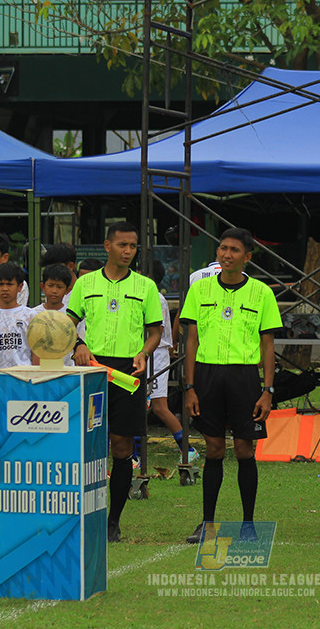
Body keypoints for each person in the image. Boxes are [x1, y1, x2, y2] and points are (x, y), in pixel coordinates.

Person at [179, 230, 279, 545]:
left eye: (235, 250)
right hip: (207, 378)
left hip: (244, 378)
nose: (227, 254)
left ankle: (248, 524)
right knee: (214, 448)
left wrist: (268, 390)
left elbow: (268, 345)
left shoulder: (262, 293)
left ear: (247, 257)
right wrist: (190, 386)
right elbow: (191, 341)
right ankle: (207, 523)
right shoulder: (200, 289)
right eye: (223, 248)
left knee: (244, 449)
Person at [68, 221, 162, 543]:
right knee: (86, 444)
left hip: (127, 373)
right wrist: (77, 345)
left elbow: (156, 332)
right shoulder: (85, 283)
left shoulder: (145, 287)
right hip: (92, 370)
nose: (128, 251)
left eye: (133, 246)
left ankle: (113, 521)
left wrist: (144, 353)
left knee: (122, 447)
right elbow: (67, 322)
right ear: (107, 246)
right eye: (122, 245)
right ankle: (80, 515)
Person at [138, 259, 198, 467]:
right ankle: (136, 454)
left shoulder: (153, 296)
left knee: (159, 406)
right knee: (143, 404)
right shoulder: (149, 294)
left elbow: (157, 330)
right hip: (147, 352)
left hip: (156, 353)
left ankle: (187, 448)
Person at [0, 262, 39, 370]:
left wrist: (36, 376)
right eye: (0, 284)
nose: (5, 289)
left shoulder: (30, 315)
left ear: (20, 287)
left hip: (24, 375)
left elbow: (36, 351)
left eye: (9, 284)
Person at [32, 264, 75, 366]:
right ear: (43, 286)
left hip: (67, 370)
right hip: (41, 369)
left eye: (59, 287)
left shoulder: (72, 315)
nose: (54, 291)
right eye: (50, 286)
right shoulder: (33, 314)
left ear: (67, 290)